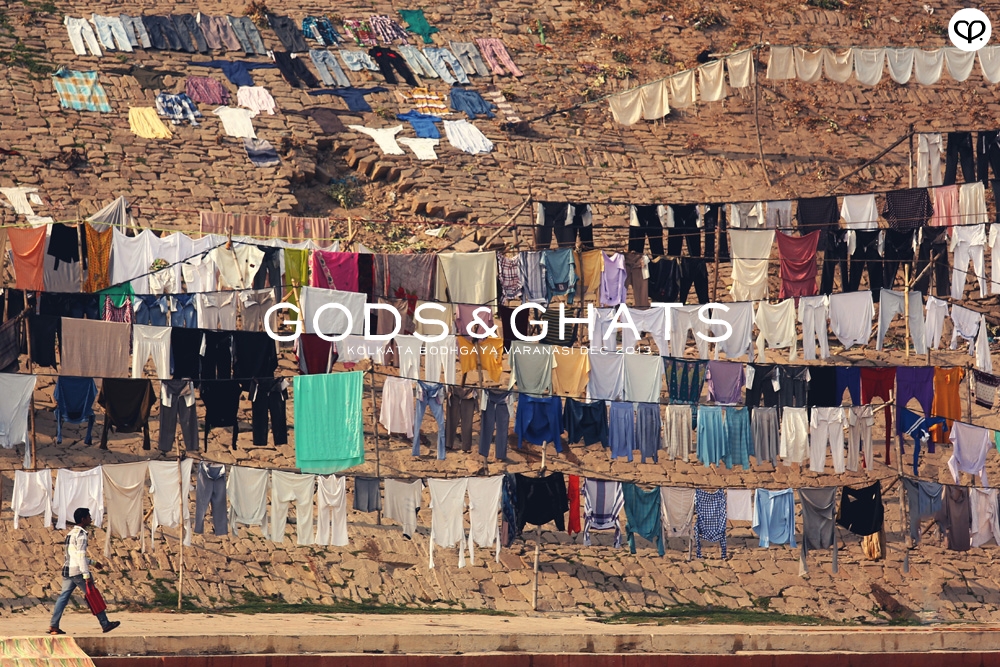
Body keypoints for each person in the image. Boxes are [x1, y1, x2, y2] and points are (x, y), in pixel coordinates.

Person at [49, 507, 121, 635]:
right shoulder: (81, 535)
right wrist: (86, 575)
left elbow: (73, 555)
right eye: (88, 516)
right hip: (77, 572)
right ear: (83, 519)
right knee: (92, 595)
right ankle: (105, 623)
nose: (90, 519)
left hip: (67, 570)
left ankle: (54, 626)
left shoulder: (70, 533)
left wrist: (93, 562)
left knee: (63, 598)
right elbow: (80, 556)